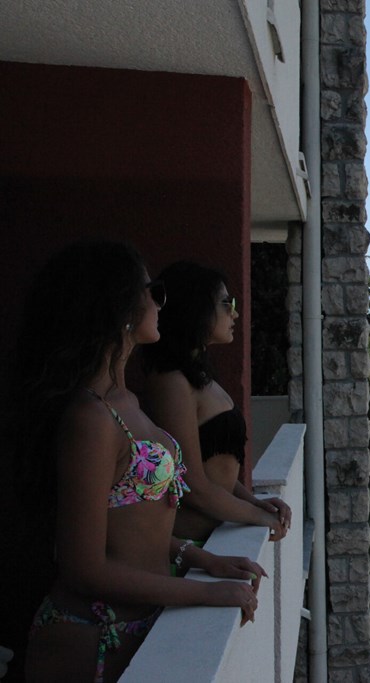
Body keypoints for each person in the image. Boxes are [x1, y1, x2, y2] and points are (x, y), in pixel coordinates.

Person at [13, 240, 264, 682]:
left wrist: (199, 558)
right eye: (152, 291)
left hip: (135, 628)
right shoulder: (90, 417)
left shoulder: (124, 399)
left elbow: (127, 525)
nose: (159, 301)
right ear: (116, 307)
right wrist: (202, 593)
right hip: (90, 640)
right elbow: (83, 566)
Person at [141, 261, 291, 545]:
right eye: (226, 303)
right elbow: (192, 485)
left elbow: (214, 472)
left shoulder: (196, 375)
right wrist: (257, 516)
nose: (234, 312)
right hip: (190, 546)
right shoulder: (172, 382)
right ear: (196, 309)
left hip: (215, 535)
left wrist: (255, 503)